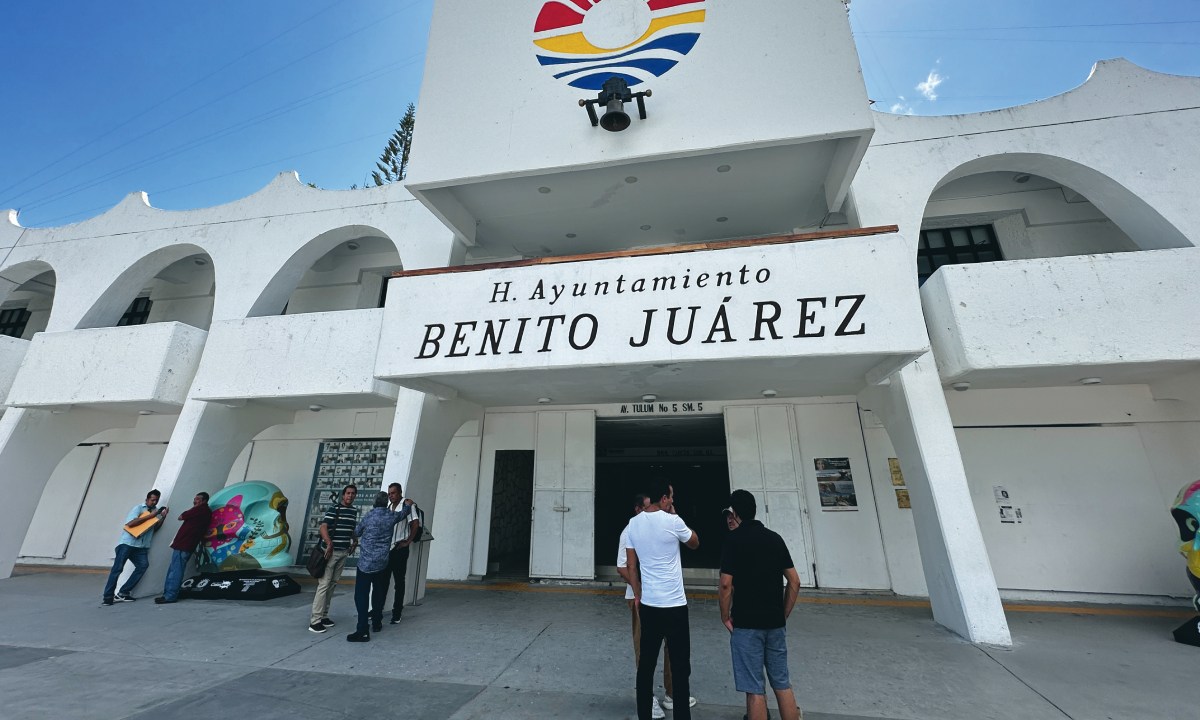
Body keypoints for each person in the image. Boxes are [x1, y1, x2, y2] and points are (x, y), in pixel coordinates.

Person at [719, 490, 803, 720]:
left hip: (746, 624)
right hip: (774, 623)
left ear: (735, 513)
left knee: (755, 688)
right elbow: (794, 580)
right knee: (782, 683)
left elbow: (726, 585)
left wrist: (725, 616)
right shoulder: (775, 538)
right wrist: (783, 613)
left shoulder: (733, 541)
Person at [627, 479, 700, 720]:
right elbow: (694, 542)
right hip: (675, 606)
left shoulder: (633, 524)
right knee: (680, 666)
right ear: (664, 498)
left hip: (649, 605)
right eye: (671, 497)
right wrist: (676, 515)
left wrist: (638, 594)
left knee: (646, 664)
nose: (673, 501)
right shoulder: (673, 521)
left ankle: (644, 715)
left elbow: (631, 566)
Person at [618, 494, 668, 719]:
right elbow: (622, 567)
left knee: (671, 646)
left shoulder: (661, 526)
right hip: (641, 598)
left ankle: (672, 693)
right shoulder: (629, 531)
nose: (652, 512)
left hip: (664, 598)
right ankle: (647, 699)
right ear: (638, 509)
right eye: (648, 508)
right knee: (644, 649)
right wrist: (640, 589)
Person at [347, 491, 413, 642]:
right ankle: (377, 622)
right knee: (378, 593)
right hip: (382, 562)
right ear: (386, 502)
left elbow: (356, 532)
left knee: (361, 596)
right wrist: (408, 505)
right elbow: (403, 514)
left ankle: (362, 629)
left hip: (365, 563)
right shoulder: (391, 516)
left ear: (374, 502)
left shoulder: (369, 516)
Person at [101, 489, 167, 605]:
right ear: (146, 499)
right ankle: (108, 597)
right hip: (127, 544)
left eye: (156, 500)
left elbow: (154, 529)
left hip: (141, 547)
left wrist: (162, 517)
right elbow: (130, 523)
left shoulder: (155, 511)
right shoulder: (138, 508)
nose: (154, 503)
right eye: (152, 500)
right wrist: (150, 516)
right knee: (117, 569)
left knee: (143, 566)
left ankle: (123, 593)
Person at [308, 484, 359, 633]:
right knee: (324, 585)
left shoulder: (353, 511)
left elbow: (351, 529)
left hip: (343, 552)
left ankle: (324, 616)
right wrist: (329, 543)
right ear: (343, 495)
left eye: (353, 493)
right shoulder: (334, 509)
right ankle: (315, 621)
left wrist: (354, 540)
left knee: (332, 585)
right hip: (331, 553)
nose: (350, 496)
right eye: (348, 493)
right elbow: (323, 527)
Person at [155, 491, 212, 604]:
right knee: (175, 569)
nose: (195, 501)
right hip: (188, 544)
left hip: (183, 544)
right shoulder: (207, 512)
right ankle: (169, 594)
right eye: (195, 499)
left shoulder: (199, 509)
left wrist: (194, 508)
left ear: (204, 501)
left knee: (175, 570)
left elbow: (181, 517)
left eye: (197, 499)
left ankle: (169, 595)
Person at [382, 482, 421, 624]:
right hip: (388, 549)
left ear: (400, 493)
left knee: (399, 582)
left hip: (400, 548)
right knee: (383, 581)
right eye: (389, 493)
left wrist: (408, 541)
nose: (390, 496)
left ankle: (397, 612)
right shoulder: (388, 507)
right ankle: (377, 609)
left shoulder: (407, 505)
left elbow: (415, 523)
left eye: (393, 493)